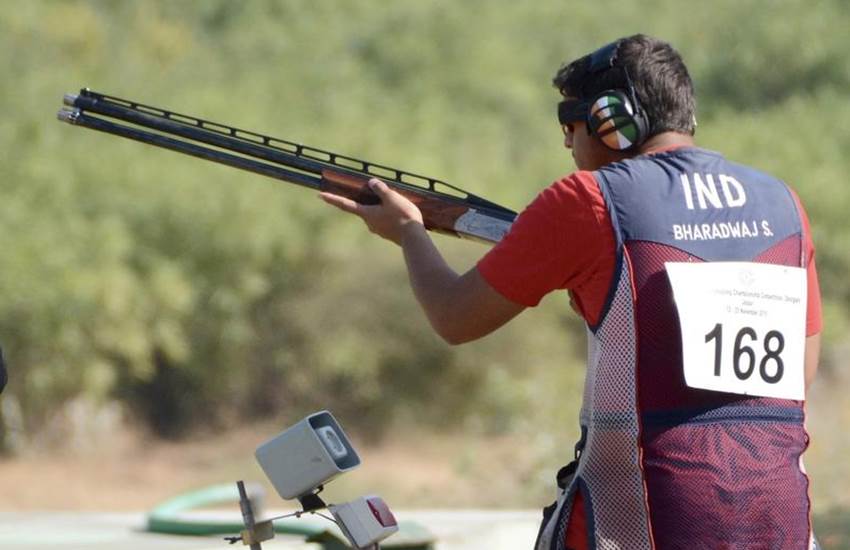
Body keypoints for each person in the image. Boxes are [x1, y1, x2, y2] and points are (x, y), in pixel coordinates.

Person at [321, 34, 821, 550]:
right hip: (780, 521)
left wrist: (408, 231)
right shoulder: (783, 202)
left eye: (570, 124)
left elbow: (454, 317)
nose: (567, 143)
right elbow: (795, 376)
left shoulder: (589, 200)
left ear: (613, 120)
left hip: (642, 522)